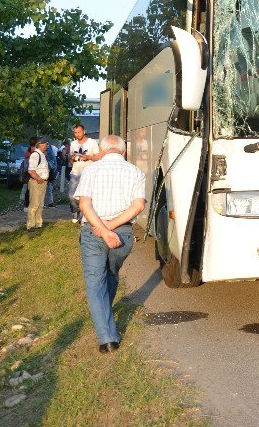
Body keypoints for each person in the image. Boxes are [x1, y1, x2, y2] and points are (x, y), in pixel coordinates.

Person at [74, 134, 145, 354]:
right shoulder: (136, 172)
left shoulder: (91, 170)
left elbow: (84, 204)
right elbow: (139, 206)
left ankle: (107, 339)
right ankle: (105, 317)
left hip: (94, 232)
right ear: (123, 151)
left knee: (96, 283)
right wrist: (112, 228)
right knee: (111, 274)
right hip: (122, 235)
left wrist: (104, 230)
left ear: (103, 151)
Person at [68, 124, 100, 224]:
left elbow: (98, 157)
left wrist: (88, 157)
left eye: (79, 132)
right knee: (71, 196)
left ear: (84, 132)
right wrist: (71, 159)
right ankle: (75, 210)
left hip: (88, 173)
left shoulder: (92, 142)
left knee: (84, 196)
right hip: (75, 172)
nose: (77, 134)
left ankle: (82, 216)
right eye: (75, 133)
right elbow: (70, 159)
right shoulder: (73, 143)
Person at [25, 137, 51, 232]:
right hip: (37, 182)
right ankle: (30, 225)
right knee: (34, 204)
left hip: (42, 182)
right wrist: (39, 179)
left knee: (40, 204)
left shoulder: (41, 155)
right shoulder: (35, 155)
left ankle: (38, 223)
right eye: (46, 144)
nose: (47, 146)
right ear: (42, 145)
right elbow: (31, 170)